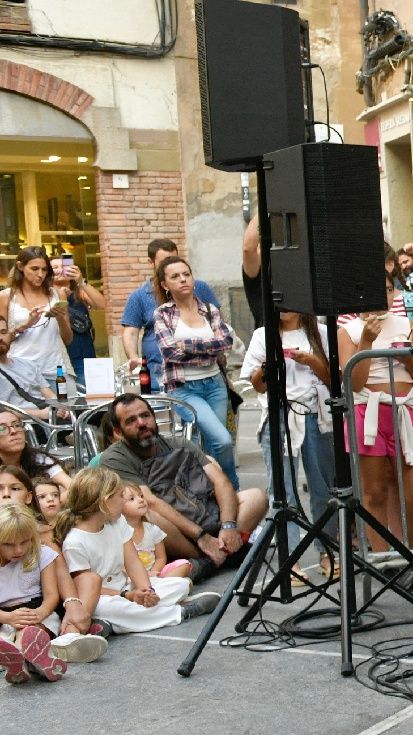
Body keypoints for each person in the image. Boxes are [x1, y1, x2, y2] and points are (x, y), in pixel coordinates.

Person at [97, 393, 269, 578]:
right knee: (147, 515)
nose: (141, 423)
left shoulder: (180, 444)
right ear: (118, 431)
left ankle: (217, 554)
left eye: (145, 415)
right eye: (131, 420)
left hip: (208, 515)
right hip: (177, 531)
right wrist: (200, 535)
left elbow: (220, 481)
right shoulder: (114, 458)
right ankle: (210, 557)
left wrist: (228, 525)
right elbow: (150, 501)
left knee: (256, 497)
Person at [337, 251, 413, 552]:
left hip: (406, 409)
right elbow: (354, 381)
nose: (384, 297)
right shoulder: (347, 330)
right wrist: (366, 341)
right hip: (368, 411)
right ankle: (383, 558)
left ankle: (411, 553)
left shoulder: (407, 323)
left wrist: (407, 355)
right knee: (375, 491)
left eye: (389, 290)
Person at [56, 467, 215, 633]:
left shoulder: (118, 523)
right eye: (120, 496)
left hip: (128, 588)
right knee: (111, 608)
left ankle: (114, 624)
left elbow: (133, 562)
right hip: (104, 598)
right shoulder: (75, 542)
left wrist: (147, 591)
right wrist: (126, 595)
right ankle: (179, 612)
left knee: (180, 585)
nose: (123, 501)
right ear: (104, 502)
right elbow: (85, 590)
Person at [240, 307, 336, 573]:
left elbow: (333, 379)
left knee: (322, 486)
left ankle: (327, 551)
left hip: (315, 413)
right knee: (283, 490)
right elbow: (258, 385)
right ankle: (289, 557)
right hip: (278, 414)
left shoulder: (320, 332)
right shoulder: (263, 335)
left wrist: (312, 361)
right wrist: (266, 368)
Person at [151, 255, 241, 487]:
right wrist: (208, 348)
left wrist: (187, 346)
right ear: (165, 285)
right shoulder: (163, 314)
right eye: (175, 277)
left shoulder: (209, 310)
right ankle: (231, 487)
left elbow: (226, 343)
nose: (183, 280)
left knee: (213, 444)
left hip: (214, 384)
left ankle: (212, 493)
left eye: (186, 274)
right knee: (222, 441)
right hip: (184, 389)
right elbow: (170, 352)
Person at [0, 502, 103, 680]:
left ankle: (20, 660)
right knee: (8, 638)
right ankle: (33, 661)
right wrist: (7, 617)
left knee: (30, 632)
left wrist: (41, 612)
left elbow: (51, 595)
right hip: (3, 615)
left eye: (24, 542)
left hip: (35, 609)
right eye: (8, 544)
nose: (18, 550)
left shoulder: (42, 554)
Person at [123, 238, 218, 389]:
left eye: (175, 260)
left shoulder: (199, 288)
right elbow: (131, 332)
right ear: (151, 263)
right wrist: (134, 358)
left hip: (204, 372)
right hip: (157, 374)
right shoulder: (139, 296)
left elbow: (218, 326)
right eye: (165, 262)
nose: (171, 267)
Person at [0, 247, 74, 388]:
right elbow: (2, 339)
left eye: (44, 270)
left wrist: (59, 318)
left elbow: (68, 339)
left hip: (56, 370)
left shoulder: (57, 294)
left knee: (66, 408)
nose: (40, 274)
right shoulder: (5, 297)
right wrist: (26, 325)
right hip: (21, 372)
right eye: (34, 269)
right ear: (20, 267)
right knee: (30, 411)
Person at [51, 254, 102, 375]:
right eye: (55, 267)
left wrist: (81, 280)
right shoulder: (46, 294)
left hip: (84, 351)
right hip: (60, 353)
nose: (60, 270)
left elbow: (101, 304)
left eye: (64, 266)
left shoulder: (80, 292)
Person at [0, 406, 67, 489]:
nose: (14, 431)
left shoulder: (37, 458)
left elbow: (71, 485)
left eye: (17, 425)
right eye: (2, 428)